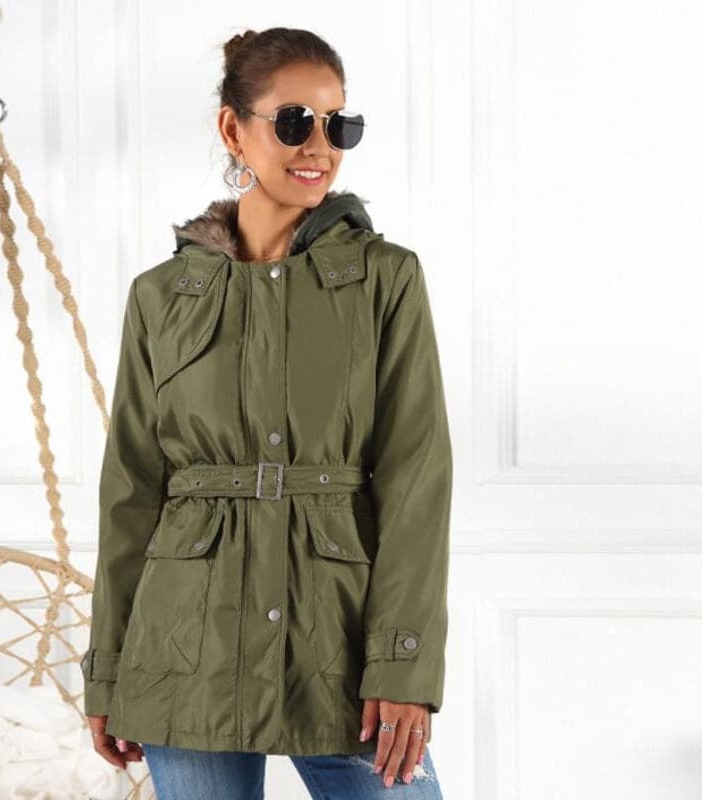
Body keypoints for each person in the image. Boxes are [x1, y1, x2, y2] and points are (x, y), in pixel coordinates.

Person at [80, 26, 453, 800]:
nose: (318, 146)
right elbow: (132, 492)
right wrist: (108, 670)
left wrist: (403, 663)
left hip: (339, 647)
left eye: (338, 125)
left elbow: (416, 479)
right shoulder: (161, 298)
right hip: (182, 649)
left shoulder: (385, 280)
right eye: (293, 121)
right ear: (233, 128)